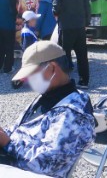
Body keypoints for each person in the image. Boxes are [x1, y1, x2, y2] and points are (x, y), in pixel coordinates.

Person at [0, 41, 94, 178]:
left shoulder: (74, 114)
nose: (28, 81)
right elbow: (18, 129)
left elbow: (47, 164)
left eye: (31, 75)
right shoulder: (48, 96)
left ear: (52, 68)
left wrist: (8, 144)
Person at [52, 0, 91, 89]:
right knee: (82, 55)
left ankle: (65, 81)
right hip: (80, 27)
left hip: (66, 27)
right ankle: (84, 81)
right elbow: (87, 8)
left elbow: (55, 4)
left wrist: (56, 13)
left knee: (64, 54)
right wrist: (86, 23)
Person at [0, 0, 18, 74]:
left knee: (0, 46)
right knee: (9, 47)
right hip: (8, 26)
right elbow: (13, 12)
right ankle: (8, 68)